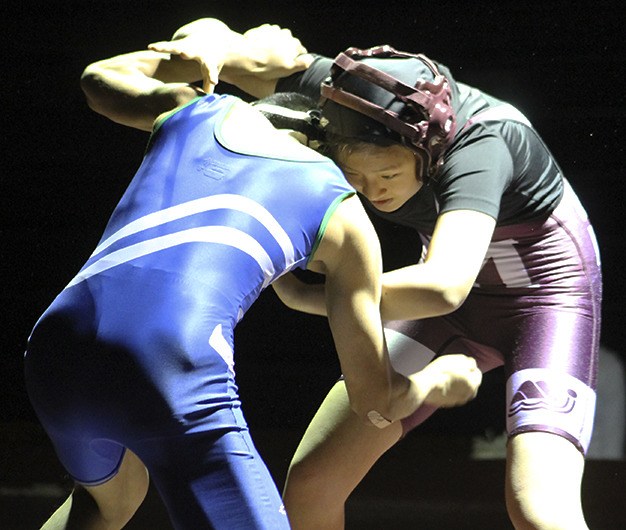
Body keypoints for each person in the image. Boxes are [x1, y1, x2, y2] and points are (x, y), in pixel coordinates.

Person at [24, 20, 481, 530]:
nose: (380, 191)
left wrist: (206, 50)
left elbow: (99, 79)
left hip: (54, 345)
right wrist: (437, 382)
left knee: (107, 501)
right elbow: (375, 401)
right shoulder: (345, 217)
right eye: (388, 174)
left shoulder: (201, 108)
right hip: (170, 364)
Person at [148, 18, 603, 530]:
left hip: (542, 302)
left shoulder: (483, 144)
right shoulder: (347, 100)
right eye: (354, 177)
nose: (373, 191)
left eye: (387, 174)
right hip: (436, 295)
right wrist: (210, 40)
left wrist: (312, 298)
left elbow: (444, 286)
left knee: (537, 507)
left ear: (428, 151)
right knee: (312, 485)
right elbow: (219, 53)